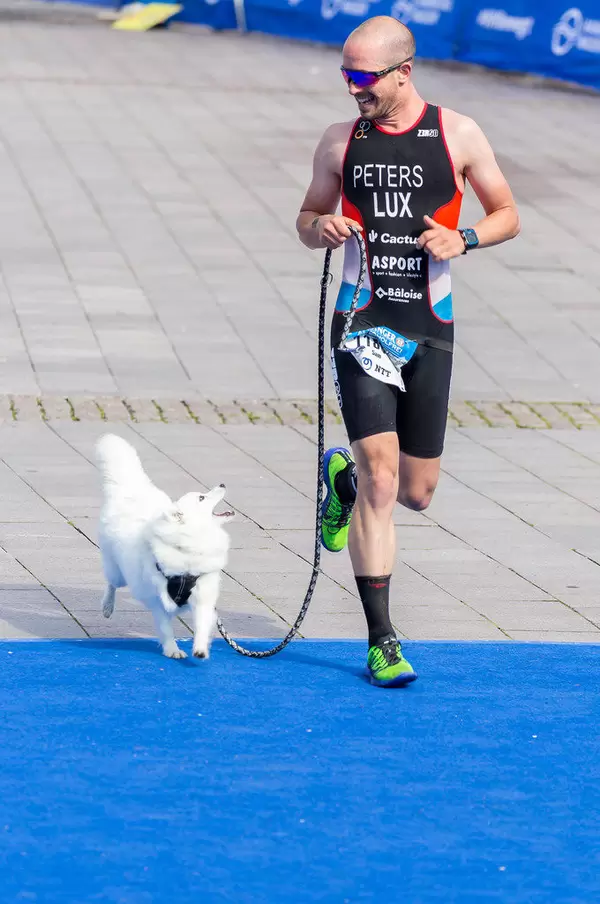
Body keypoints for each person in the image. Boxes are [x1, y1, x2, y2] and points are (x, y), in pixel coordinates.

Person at [296, 15, 519, 687]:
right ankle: (382, 639)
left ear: (404, 71)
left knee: (418, 492)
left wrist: (467, 240)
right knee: (385, 480)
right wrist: (321, 227)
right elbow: (306, 220)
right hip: (362, 322)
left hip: (428, 327)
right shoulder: (342, 142)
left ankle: (342, 482)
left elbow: (507, 213)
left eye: (364, 78)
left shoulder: (458, 134)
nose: (353, 90)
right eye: (346, 76)